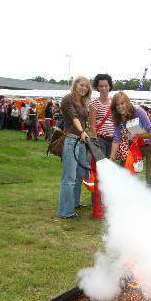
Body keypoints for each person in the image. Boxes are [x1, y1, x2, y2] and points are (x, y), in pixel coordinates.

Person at [109, 91, 151, 191]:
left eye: (122, 103)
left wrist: (131, 136)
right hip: (136, 147)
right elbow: (116, 138)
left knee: (150, 181)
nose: (120, 107)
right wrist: (111, 159)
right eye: (117, 104)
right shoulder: (117, 117)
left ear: (127, 103)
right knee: (125, 174)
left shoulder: (139, 112)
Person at [57, 76, 92, 219]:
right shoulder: (68, 99)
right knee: (69, 177)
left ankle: (75, 203)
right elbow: (74, 118)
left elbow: (84, 121)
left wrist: (87, 135)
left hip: (82, 142)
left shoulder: (83, 102)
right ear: (75, 85)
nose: (84, 88)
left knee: (80, 175)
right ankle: (65, 211)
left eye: (86, 86)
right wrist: (82, 132)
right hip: (71, 140)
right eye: (81, 85)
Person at [89, 74, 115, 158]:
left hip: (112, 140)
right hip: (101, 140)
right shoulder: (94, 103)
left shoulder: (114, 102)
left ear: (110, 86)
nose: (104, 88)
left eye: (106, 86)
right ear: (97, 87)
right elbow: (92, 126)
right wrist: (97, 145)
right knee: (101, 166)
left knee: (109, 166)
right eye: (101, 86)